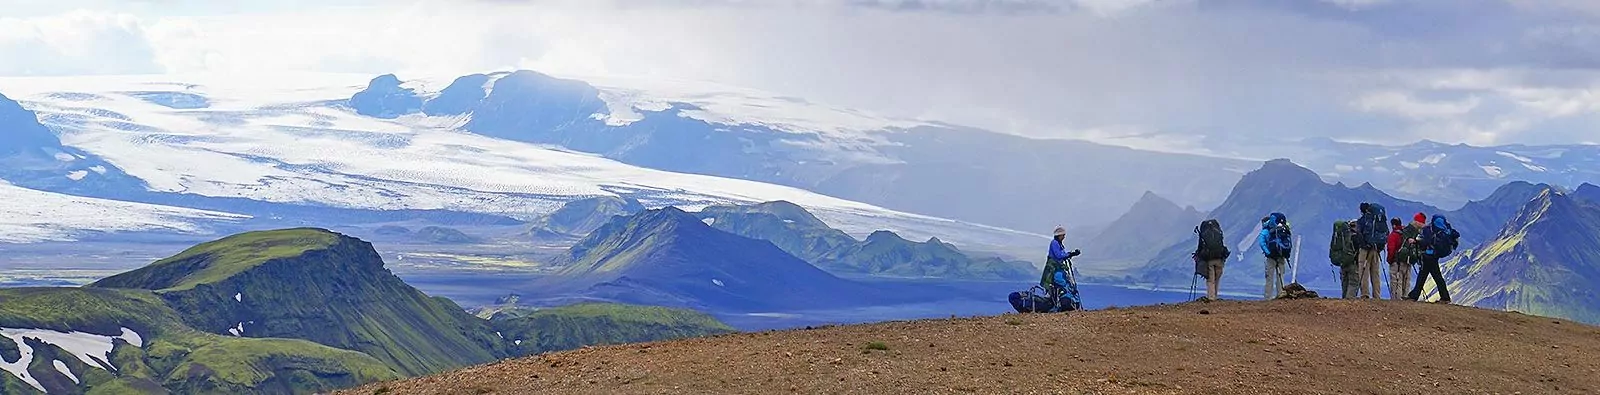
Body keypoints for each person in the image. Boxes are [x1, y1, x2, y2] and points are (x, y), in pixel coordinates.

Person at [1406, 216, 1458, 304]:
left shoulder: (1429, 230)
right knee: (1429, 276)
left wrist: (1415, 241)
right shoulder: (1443, 231)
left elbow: (1425, 241)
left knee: (1428, 276)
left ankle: (1444, 297)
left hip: (1428, 256)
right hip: (1434, 255)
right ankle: (1415, 295)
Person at [1356, 203, 1387, 299]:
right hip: (1375, 249)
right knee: (1375, 272)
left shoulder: (1361, 221)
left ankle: (1365, 294)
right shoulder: (1377, 221)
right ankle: (1377, 295)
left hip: (1365, 250)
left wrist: (1364, 245)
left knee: (1364, 271)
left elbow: (1359, 234)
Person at [1193, 219, 1230, 301]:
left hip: (1209, 259)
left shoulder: (1203, 234)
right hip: (1219, 259)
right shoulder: (1218, 232)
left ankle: (1211, 297)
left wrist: (1197, 255)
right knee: (1217, 279)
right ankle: (1215, 296)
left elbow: (1200, 247)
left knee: (1210, 280)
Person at [1257, 214, 1291, 300]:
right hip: (1281, 255)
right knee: (1281, 276)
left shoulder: (1265, 231)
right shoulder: (1282, 229)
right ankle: (1281, 294)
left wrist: (1268, 253)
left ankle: (1268, 297)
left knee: (1269, 277)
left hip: (1270, 257)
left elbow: (1262, 243)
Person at [1330, 220, 1361, 299]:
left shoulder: (1340, 237)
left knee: (1345, 282)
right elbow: (1359, 249)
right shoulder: (1355, 237)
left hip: (1342, 262)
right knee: (1353, 282)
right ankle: (1349, 300)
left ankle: (1344, 300)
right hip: (1353, 262)